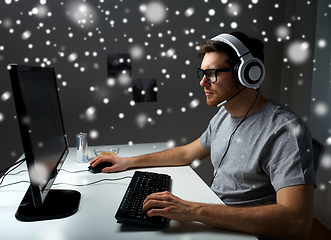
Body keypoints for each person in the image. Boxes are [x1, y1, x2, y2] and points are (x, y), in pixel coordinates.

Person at [90, 31, 315, 239]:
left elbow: (296, 221)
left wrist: (194, 210)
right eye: (203, 73)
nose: (203, 82)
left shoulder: (284, 131)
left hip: (245, 235)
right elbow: (188, 152)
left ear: (246, 73)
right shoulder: (224, 116)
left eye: (212, 74)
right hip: (216, 223)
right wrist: (128, 162)